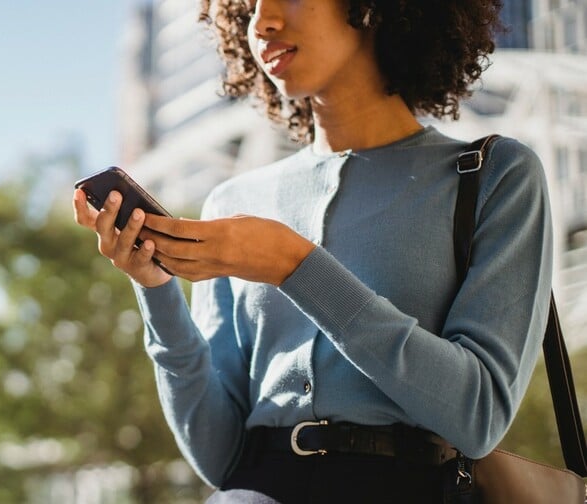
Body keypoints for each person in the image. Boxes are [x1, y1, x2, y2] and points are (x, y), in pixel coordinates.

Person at [73, 0, 553, 502]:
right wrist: (157, 290)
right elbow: (220, 457)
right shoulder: (233, 203)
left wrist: (293, 266)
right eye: (249, 7)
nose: (262, 22)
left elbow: (478, 417)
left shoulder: (494, 176)